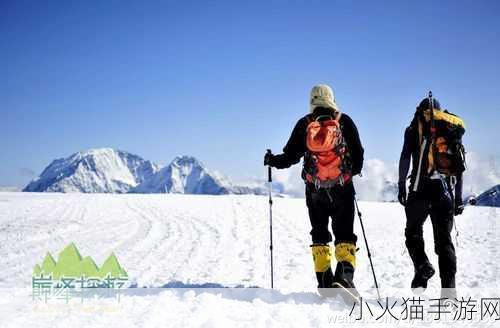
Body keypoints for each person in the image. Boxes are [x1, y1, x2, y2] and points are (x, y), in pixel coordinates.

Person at [264, 84, 364, 296]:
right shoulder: (344, 122)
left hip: (315, 191)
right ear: (331, 99)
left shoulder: (305, 124)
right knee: (345, 234)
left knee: (319, 234)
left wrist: (272, 160)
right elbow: (359, 155)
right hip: (343, 190)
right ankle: (345, 277)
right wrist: (347, 174)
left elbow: (290, 157)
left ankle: (325, 282)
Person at [398, 93, 466, 299]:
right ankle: (449, 292)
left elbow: (404, 158)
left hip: (419, 191)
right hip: (444, 193)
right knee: (444, 242)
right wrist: (458, 198)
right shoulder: (449, 130)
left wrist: (402, 185)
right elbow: (459, 166)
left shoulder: (412, 130)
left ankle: (422, 267)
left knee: (413, 233)